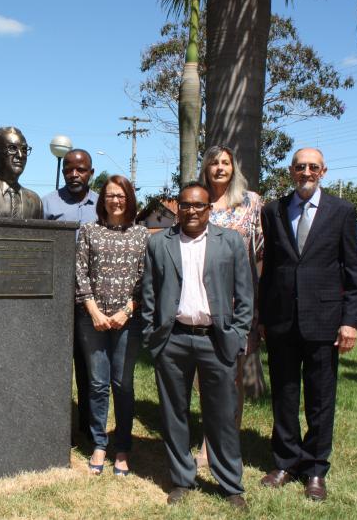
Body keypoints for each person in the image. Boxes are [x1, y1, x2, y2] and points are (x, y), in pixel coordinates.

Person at [258, 148, 357, 501]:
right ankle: (286, 462)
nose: (306, 172)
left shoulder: (341, 211)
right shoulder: (273, 210)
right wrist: (263, 316)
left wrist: (350, 321)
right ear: (291, 171)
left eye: (312, 167)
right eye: (300, 166)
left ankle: (315, 468)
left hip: (324, 321)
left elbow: (354, 270)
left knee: (320, 399)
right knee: (284, 396)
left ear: (323, 171)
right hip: (281, 321)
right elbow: (270, 269)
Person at [141, 182, 252, 509]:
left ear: (209, 209)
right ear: (178, 207)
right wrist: (151, 336)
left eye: (198, 205)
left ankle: (230, 484)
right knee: (174, 413)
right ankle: (182, 479)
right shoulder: (159, 243)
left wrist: (237, 335)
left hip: (216, 340)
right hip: (172, 340)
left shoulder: (230, 241)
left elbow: (245, 295)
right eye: (186, 205)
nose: (192, 211)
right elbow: (148, 293)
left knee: (221, 415)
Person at [195, 144, 265, 467]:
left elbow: (261, 254)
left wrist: (258, 300)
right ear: (206, 169)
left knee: (234, 376)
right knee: (207, 376)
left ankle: (227, 442)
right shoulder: (198, 201)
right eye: (214, 163)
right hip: (202, 300)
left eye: (225, 162)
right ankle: (208, 440)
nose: (220, 168)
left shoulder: (251, 203)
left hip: (239, 302)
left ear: (233, 167)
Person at [75, 175, 149, 476]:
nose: (116, 200)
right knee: (97, 383)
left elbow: (146, 278)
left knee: (122, 383)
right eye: (110, 195)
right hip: (92, 319)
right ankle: (99, 443)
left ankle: (122, 447)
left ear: (129, 199)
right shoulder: (89, 231)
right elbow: (80, 273)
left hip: (127, 321)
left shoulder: (142, 234)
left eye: (121, 195)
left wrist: (127, 310)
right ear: (102, 200)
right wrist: (93, 310)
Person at [42, 149, 98, 442]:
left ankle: (88, 427)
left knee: (89, 366)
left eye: (81, 169)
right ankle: (52, 425)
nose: (74, 175)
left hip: (91, 300)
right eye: (68, 170)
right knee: (54, 363)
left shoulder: (102, 205)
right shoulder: (48, 203)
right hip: (55, 297)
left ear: (91, 172)